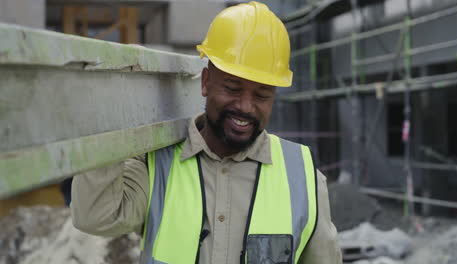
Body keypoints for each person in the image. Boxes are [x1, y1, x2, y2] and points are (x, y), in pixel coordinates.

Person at [71, 2, 342, 264]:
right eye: (233, 88)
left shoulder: (303, 178)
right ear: (205, 83)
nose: (245, 106)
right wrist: (112, 104)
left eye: (261, 95)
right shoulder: (157, 165)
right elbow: (94, 216)